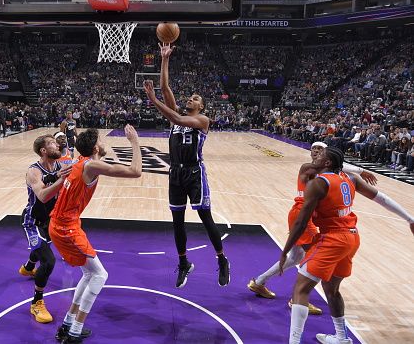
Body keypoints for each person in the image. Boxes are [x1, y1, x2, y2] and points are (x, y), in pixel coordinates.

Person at [281, 147, 414, 344]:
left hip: (332, 239)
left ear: (327, 163)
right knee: (331, 288)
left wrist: (285, 250)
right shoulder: (349, 178)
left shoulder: (318, 184)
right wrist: (409, 218)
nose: (316, 155)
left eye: (321, 155)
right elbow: (381, 198)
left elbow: (301, 222)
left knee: (300, 289)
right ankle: (342, 338)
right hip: (352, 239)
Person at [248, 142, 378, 315]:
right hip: (302, 215)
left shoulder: (323, 170)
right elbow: (339, 167)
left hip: (306, 215)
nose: (316, 151)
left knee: (296, 257)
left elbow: (339, 167)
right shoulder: (309, 168)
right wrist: (360, 172)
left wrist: (358, 172)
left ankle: (259, 281)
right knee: (314, 255)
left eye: (320, 149)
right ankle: (298, 298)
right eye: (313, 149)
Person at [143, 42, 230, 288]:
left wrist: (153, 100)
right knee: (177, 221)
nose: (191, 98)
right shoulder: (179, 117)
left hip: (194, 172)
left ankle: (222, 260)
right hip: (175, 173)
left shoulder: (202, 120)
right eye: (190, 97)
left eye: (196, 98)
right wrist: (164, 59)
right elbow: (165, 87)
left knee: (205, 217)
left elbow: (175, 117)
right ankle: (183, 263)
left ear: (201, 106)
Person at [50, 125, 141, 343]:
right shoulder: (91, 165)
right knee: (100, 275)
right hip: (66, 228)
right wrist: (134, 141)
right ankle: (75, 331)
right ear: (95, 147)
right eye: (101, 140)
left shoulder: (79, 162)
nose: (104, 142)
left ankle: (68, 324)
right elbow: (135, 171)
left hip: (61, 224)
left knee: (89, 274)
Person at [19, 135, 72, 323]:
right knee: (49, 261)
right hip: (33, 221)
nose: (56, 145)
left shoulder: (59, 167)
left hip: (50, 220)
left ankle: (28, 268)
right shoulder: (33, 171)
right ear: (43, 150)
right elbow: (42, 196)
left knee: (40, 250)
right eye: (52, 143)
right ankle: (37, 303)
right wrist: (61, 180)